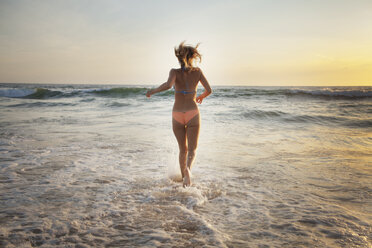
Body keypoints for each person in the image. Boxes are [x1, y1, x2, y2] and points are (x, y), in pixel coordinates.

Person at [146, 42, 212, 187]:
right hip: (193, 112)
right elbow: (209, 90)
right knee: (192, 149)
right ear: (192, 57)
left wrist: (152, 91)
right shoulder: (198, 72)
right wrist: (201, 97)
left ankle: (184, 180)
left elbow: (168, 85)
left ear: (179, 58)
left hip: (177, 114)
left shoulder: (174, 72)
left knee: (183, 149)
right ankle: (188, 170)